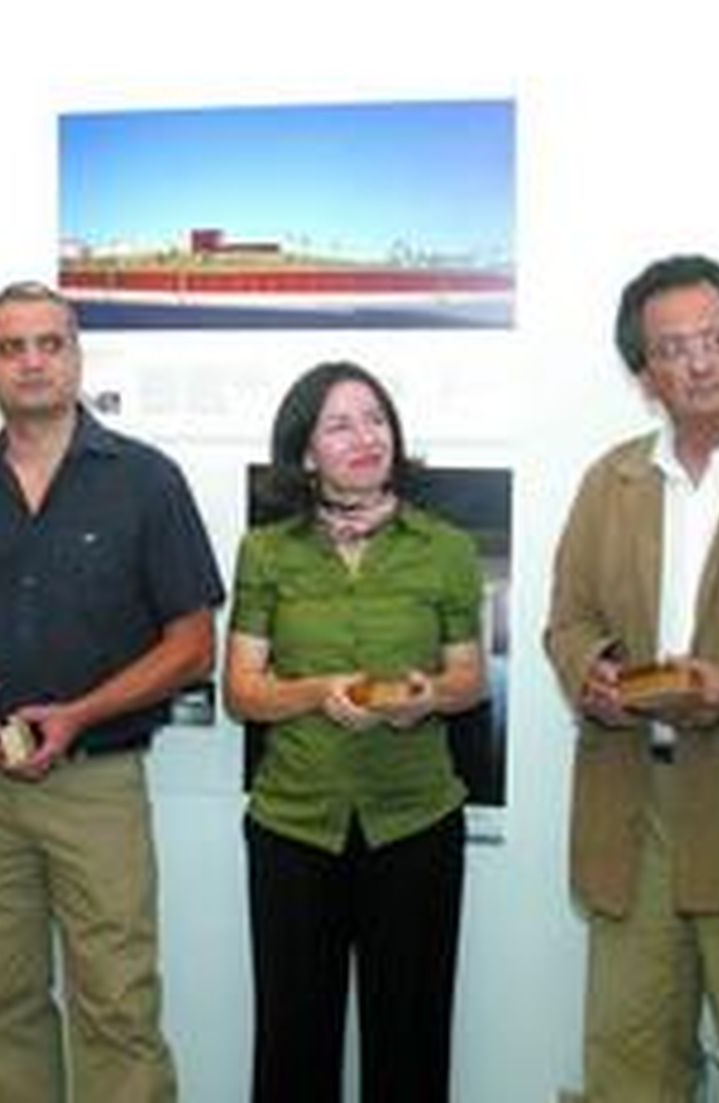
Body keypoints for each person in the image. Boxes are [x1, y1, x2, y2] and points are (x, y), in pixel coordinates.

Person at [0, 280, 223, 1102]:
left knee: (116, 1003)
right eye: (11, 347)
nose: (32, 362)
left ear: (77, 357)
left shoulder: (146, 480)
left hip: (96, 782)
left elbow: (194, 646)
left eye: (50, 343)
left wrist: (80, 713)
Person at [545, 254, 719, 1100]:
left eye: (718, 339)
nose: (700, 362)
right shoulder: (611, 480)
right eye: (673, 348)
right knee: (628, 1068)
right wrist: (591, 672)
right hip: (635, 809)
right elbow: (568, 620)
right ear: (643, 372)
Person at [221, 361, 485, 1103]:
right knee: (292, 1047)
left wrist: (427, 697)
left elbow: (470, 680)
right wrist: (316, 691)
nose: (365, 438)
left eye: (376, 420)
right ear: (306, 452)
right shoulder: (267, 551)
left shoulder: (445, 547)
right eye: (339, 425)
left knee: (410, 1046)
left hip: (416, 823)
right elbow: (241, 692)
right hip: (295, 826)